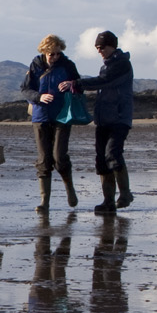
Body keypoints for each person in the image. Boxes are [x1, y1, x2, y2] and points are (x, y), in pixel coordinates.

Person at [60, 30, 135, 213]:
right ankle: (108, 201)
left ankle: (125, 194)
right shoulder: (107, 64)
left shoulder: (122, 64)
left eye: (101, 47)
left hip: (119, 119)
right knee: (101, 160)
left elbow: (105, 81)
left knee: (113, 155)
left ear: (112, 45)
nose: (99, 51)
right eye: (96, 48)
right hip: (103, 120)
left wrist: (77, 84)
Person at [22, 34, 84, 211]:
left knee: (59, 157)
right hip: (40, 116)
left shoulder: (68, 65)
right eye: (51, 54)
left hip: (62, 116)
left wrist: (72, 84)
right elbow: (25, 89)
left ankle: (69, 188)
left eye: (58, 53)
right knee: (44, 159)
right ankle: (45, 202)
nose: (55, 57)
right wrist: (39, 97)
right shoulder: (35, 65)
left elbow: (80, 85)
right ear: (44, 52)